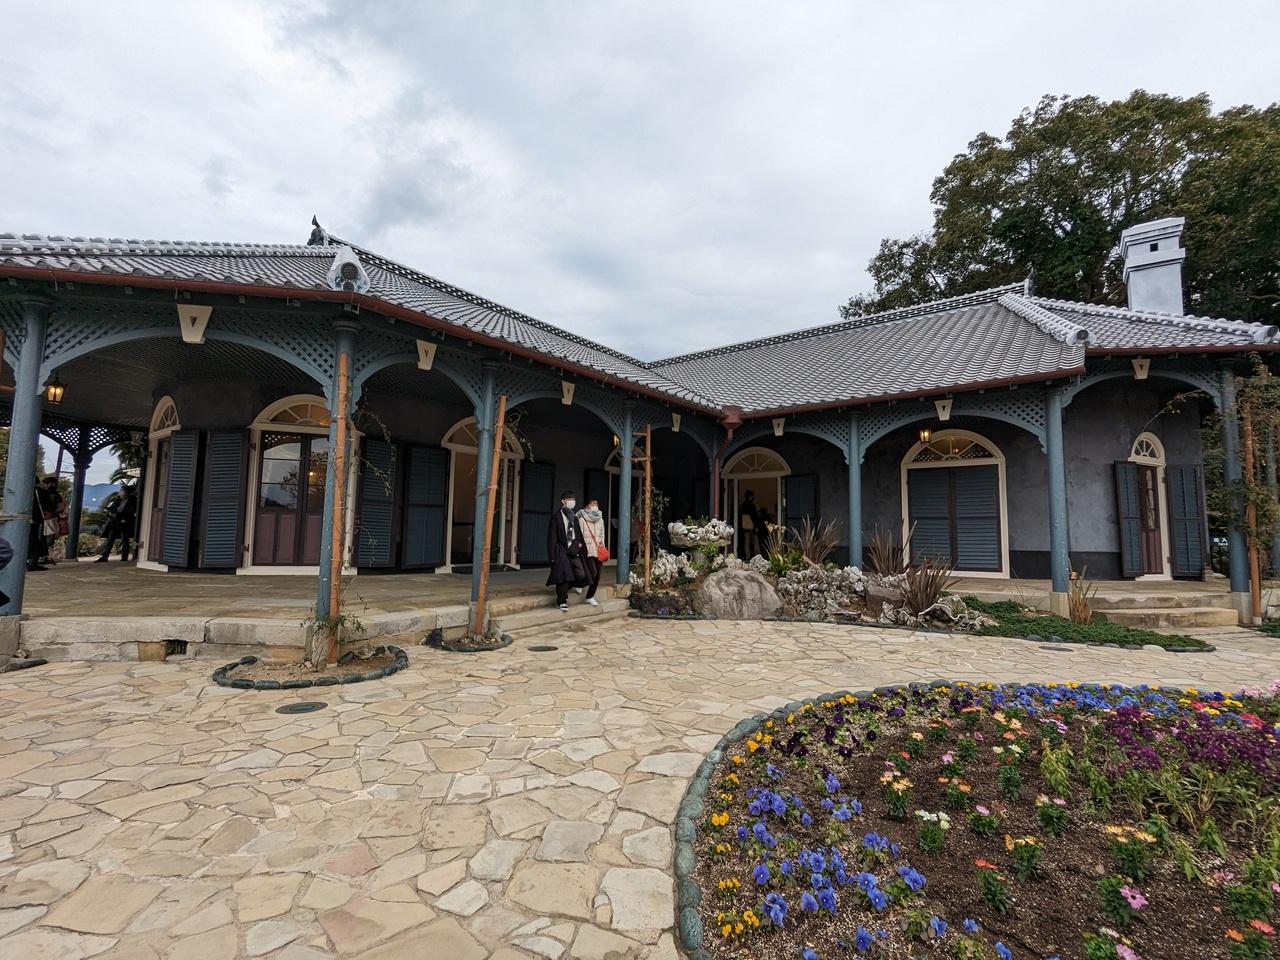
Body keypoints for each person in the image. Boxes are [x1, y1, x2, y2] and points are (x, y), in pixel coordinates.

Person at [545, 489, 587, 611]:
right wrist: (552, 557)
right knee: (564, 575)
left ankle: (563, 589)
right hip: (561, 550)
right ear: (563, 501)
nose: (572, 501)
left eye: (573, 499)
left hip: (573, 549)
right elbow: (552, 538)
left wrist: (579, 547)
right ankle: (562, 600)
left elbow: (578, 535)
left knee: (581, 575)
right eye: (569, 499)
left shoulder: (574, 517)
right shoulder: (557, 517)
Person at [575, 497, 607, 606]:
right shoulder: (581, 519)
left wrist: (602, 545)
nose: (595, 506)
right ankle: (577, 584)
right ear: (587, 506)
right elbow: (578, 536)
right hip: (587, 550)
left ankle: (589, 596)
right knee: (592, 573)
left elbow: (602, 535)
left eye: (596, 504)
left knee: (597, 575)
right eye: (592, 504)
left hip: (598, 550)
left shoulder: (600, 519)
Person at [96, 485, 138, 563]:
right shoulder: (118, 499)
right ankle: (104, 556)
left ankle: (124, 556)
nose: (120, 492)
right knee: (110, 538)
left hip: (125, 522)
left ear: (127, 492)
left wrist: (120, 515)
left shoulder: (132, 500)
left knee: (125, 539)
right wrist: (108, 511)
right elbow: (113, 508)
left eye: (122, 490)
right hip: (115, 522)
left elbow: (131, 511)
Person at [39, 476, 66, 565]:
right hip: (52, 518)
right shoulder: (56, 495)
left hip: (48, 518)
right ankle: (46, 556)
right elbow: (61, 506)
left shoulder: (43, 493)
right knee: (49, 538)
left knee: (46, 538)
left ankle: (45, 556)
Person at [28, 478, 52, 571]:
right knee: (37, 541)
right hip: (38, 520)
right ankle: (33, 563)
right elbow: (48, 505)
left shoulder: (25, 491)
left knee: (29, 541)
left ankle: (26, 562)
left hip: (25, 520)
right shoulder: (40, 491)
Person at [739, 489, 762, 557]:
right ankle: (758, 556)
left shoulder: (743, 505)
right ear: (750, 496)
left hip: (745, 526)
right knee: (755, 541)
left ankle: (747, 556)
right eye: (752, 496)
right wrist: (756, 526)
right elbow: (754, 516)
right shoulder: (751, 505)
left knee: (747, 542)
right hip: (752, 526)